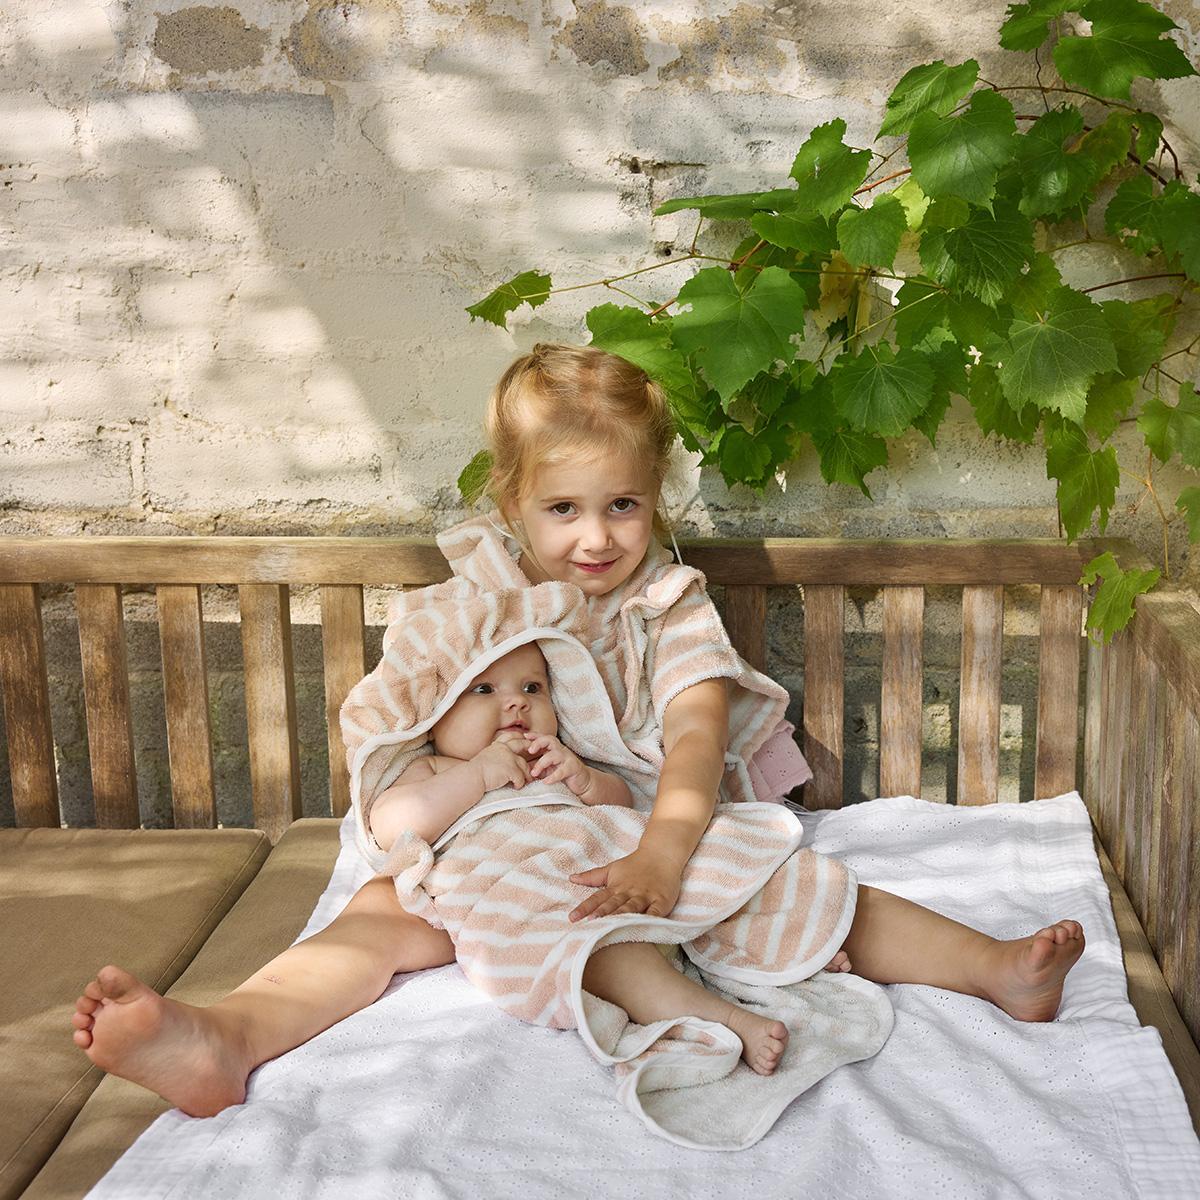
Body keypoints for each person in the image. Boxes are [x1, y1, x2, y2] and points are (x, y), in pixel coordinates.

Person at [71, 342, 1085, 1118]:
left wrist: (662, 851)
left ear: (656, 498)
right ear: (513, 500)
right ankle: (226, 1037)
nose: (596, 537)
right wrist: (455, 789)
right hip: (494, 843)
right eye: (563, 507)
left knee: (801, 890)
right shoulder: (477, 606)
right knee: (377, 922)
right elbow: (406, 720)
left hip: (634, 827)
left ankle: (993, 968)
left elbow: (695, 739)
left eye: (623, 505)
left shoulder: (666, 610)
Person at [363, 632, 801, 1077]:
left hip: (612, 867)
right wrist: (476, 775)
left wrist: (586, 780)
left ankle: (796, 938)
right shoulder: (435, 768)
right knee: (601, 953)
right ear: (435, 715)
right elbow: (391, 827)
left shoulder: (551, 758)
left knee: (720, 862)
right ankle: (723, 1018)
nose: (517, 702)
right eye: (484, 689)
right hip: (532, 895)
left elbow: (623, 804)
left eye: (532, 688)